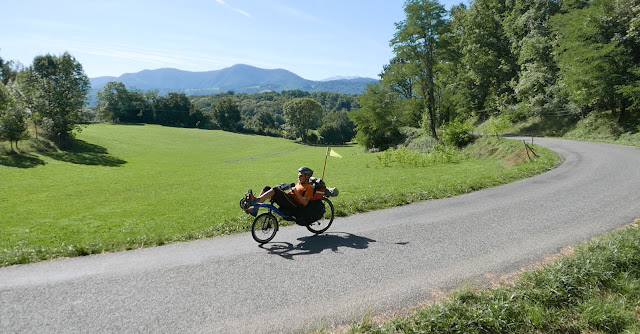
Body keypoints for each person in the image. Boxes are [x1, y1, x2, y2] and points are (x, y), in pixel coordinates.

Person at [244, 166, 315, 216]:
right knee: (267, 188)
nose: (299, 177)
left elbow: (305, 202)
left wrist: (295, 192)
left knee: (275, 190)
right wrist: (283, 187)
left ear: (307, 177)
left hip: (294, 205)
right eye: (298, 175)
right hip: (288, 199)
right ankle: (255, 209)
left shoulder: (309, 187)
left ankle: (257, 201)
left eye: (301, 176)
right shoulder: (299, 184)